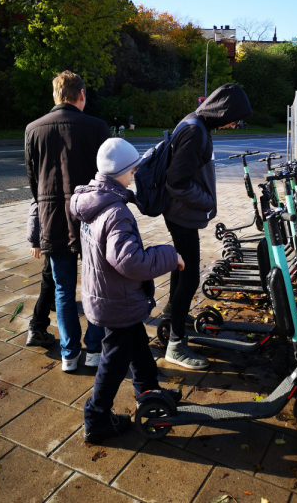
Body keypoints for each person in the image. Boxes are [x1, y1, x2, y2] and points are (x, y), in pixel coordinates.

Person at [70, 138, 184, 441]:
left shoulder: (95, 201)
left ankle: (149, 391)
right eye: (132, 170)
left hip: (107, 293)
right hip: (116, 297)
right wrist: (170, 256)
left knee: (135, 343)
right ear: (120, 172)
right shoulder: (116, 212)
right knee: (115, 358)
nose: (134, 175)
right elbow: (131, 262)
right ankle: (96, 418)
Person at [25, 70, 111, 372]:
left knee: (62, 289)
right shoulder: (98, 127)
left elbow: (34, 183)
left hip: (53, 219)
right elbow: (107, 176)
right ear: (82, 95)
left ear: (55, 95)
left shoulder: (33, 129)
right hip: (90, 216)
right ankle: (94, 349)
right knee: (97, 283)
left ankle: (69, 354)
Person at [163, 83, 252, 370]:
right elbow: (176, 181)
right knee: (189, 277)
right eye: (235, 117)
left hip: (180, 211)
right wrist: (206, 202)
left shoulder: (196, 123)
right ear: (224, 111)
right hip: (182, 213)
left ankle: (170, 315)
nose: (234, 124)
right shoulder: (194, 130)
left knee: (180, 268)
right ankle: (175, 346)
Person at [25, 199, 56, 347]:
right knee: (50, 279)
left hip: (54, 230)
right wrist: (34, 241)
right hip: (57, 232)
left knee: (51, 278)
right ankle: (37, 327)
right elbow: (36, 204)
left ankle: (53, 303)